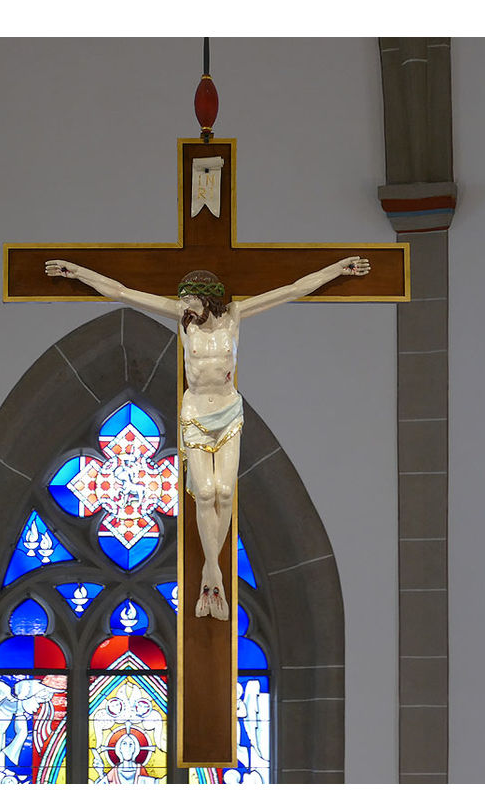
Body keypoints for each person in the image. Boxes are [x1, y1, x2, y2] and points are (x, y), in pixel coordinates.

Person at [45, 256, 370, 620]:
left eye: (190, 300)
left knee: (225, 491)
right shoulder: (185, 323)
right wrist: (77, 273)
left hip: (229, 412)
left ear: (207, 298)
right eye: (183, 301)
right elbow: (123, 293)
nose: (184, 306)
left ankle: (212, 571)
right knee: (204, 492)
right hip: (196, 414)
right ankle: (211, 570)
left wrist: (338, 270)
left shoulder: (234, 317)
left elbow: (293, 289)